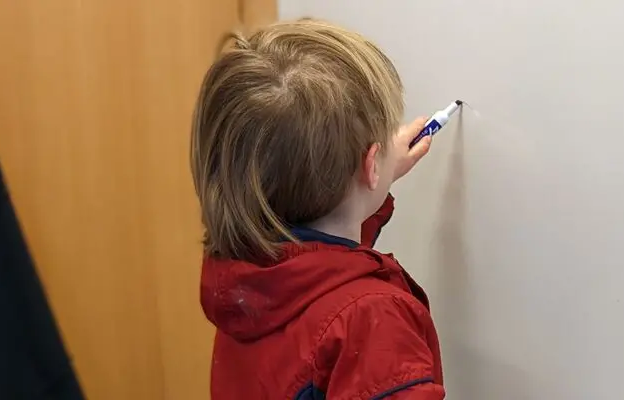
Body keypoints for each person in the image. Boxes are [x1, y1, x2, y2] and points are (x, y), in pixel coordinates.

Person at [190, 19, 444, 399]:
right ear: (371, 164)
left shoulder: (247, 280)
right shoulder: (370, 319)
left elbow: (320, 257)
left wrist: (376, 175)